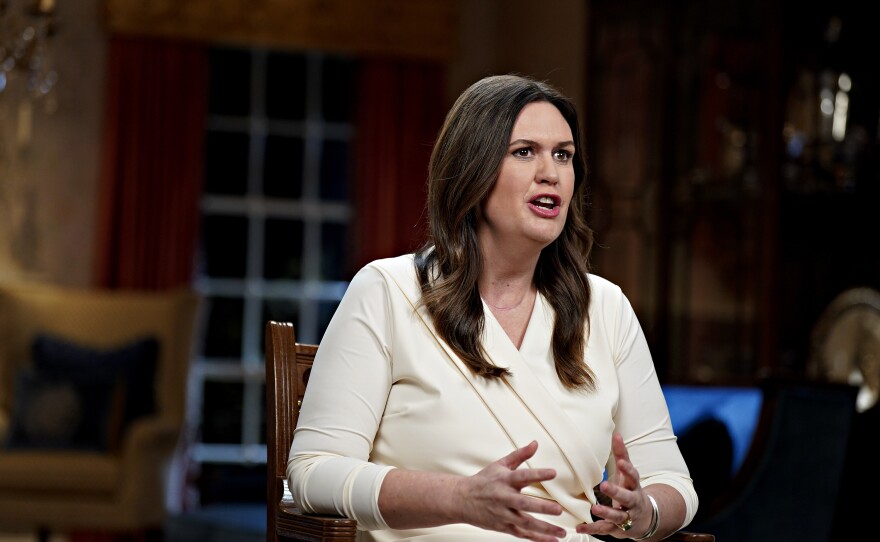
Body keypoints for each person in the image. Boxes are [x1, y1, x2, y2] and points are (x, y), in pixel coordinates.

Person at [287, 74, 699, 541]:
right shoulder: (388, 290)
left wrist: (642, 514)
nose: (551, 172)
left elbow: (675, 484)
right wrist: (458, 498)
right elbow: (312, 473)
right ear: (472, 169)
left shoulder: (605, 307)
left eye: (563, 155)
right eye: (525, 151)